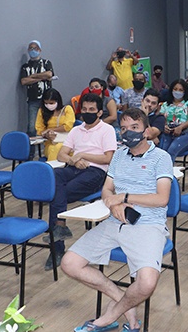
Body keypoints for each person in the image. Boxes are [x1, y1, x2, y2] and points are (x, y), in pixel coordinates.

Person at [61, 108, 174, 332]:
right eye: (123, 128)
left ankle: (108, 316)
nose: (128, 132)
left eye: (134, 127)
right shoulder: (119, 155)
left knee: (147, 283)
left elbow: (162, 199)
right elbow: (107, 190)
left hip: (148, 225)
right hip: (115, 221)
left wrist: (124, 197)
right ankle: (127, 307)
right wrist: (114, 204)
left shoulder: (161, 157)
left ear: (146, 131)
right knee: (69, 264)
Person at [46, 93, 117, 271]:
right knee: (54, 176)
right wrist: (74, 160)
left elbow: (108, 158)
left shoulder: (107, 130)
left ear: (99, 112)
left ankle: (57, 246)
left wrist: (83, 155)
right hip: (74, 167)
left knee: (58, 194)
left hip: (96, 171)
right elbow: (62, 154)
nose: (87, 112)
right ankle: (59, 234)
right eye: (84, 109)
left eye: (92, 110)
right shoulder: (76, 130)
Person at [20, 40, 54, 139]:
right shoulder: (25, 66)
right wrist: (41, 78)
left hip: (47, 99)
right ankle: (31, 148)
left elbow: (49, 74)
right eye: (30, 48)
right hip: (33, 99)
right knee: (32, 127)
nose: (33, 50)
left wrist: (32, 76)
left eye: (35, 48)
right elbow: (24, 81)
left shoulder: (46, 63)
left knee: (49, 124)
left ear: (40, 50)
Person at [159, 79, 188, 162]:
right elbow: (161, 118)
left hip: (186, 134)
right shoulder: (166, 104)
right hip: (169, 133)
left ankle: (168, 170)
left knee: (171, 151)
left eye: (180, 90)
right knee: (162, 152)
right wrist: (164, 126)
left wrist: (180, 127)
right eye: (175, 89)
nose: (177, 92)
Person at [36, 88, 76, 162]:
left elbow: (67, 127)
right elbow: (39, 129)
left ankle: (52, 168)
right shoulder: (42, 111)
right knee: (55, 148)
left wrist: (51, 129)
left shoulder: (67, 109)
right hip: (50, 143)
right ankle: (53, 168)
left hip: (66, 142)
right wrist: (47, 134)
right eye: (46, 103)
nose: (48, 105)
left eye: (51, 103)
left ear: (58, 101)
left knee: (59, 148)